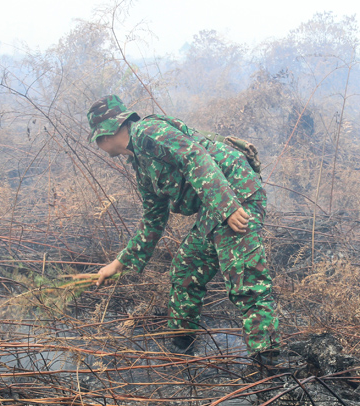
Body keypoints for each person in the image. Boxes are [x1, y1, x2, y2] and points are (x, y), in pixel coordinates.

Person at [88, 95, 281, 362]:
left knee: (245, 278)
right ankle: (181, 349)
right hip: (216, 207)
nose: (97, 144)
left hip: (237, 195)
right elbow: (153, 219)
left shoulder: (148, 132)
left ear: (106, 133)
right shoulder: (141, 164)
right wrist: (119, 264)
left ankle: (268, 365)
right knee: (186, 268)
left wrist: (228, 207)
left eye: (97, 138)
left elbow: (194, 155)